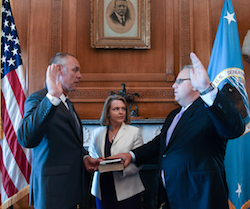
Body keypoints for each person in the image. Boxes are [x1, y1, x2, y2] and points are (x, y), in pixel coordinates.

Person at [109, 52, 245, 209]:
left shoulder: (209, 108)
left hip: (200, 197)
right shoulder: (174, 115)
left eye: (179, 81)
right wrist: (131, 155)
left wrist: (207, 89)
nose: (174, 85)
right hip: (172, 196)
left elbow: (235, 128)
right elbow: (160, 144)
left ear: (195, 83)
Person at [17, 52, 100, 209]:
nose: (80, 76)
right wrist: (52, 96)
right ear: (59, 71)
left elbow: (68, 142)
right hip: (52, 192)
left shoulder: (68, 104)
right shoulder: (39, 99)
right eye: (75, 70)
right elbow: (26, 138)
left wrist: (84, 158)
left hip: (70, 190)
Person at [89, 94, 145, 209]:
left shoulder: (134, 132)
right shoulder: (97, 133)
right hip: (102, 189)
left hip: (128, 190)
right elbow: (92, 155)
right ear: (108, 113)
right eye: (116, 109)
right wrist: (96, 161)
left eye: (123, 109)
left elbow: (139, 161)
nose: (121, 112)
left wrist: (120, 168)